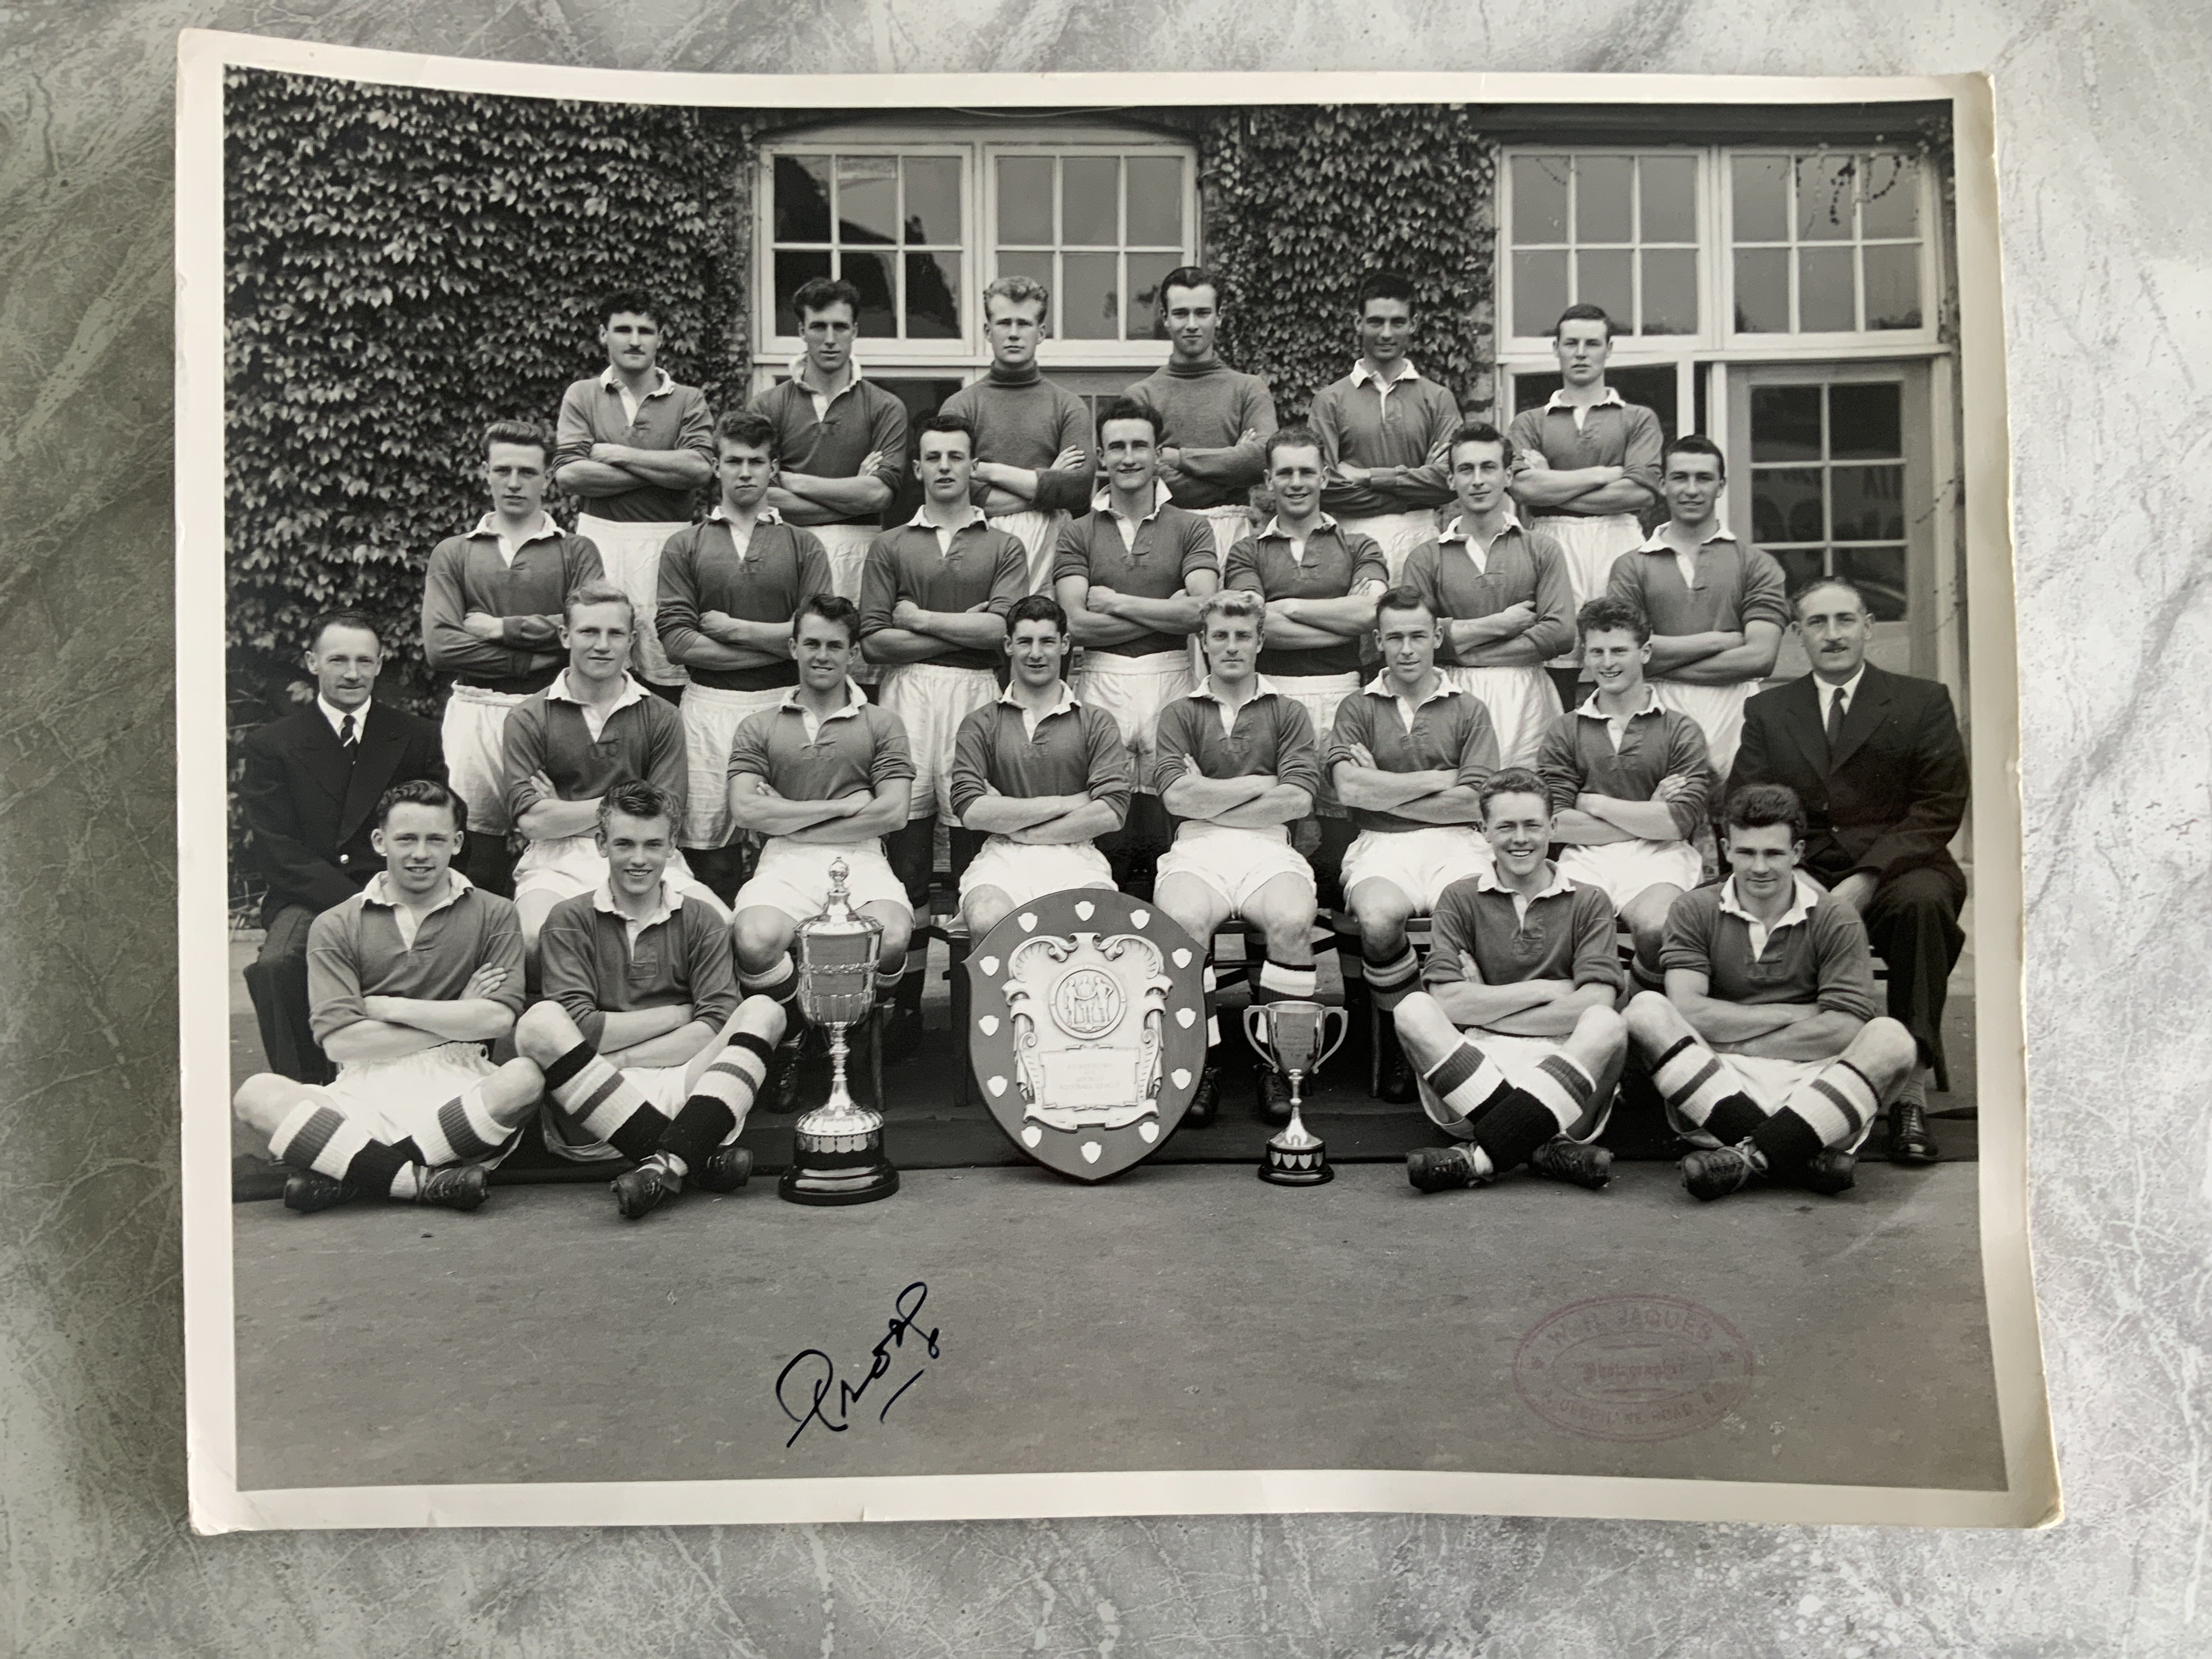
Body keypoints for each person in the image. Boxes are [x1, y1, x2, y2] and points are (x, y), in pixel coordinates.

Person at [1727, 576, 1969, 1165]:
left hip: (1898, 867)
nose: (1832, 635)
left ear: (1867, 627)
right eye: (1817, 623)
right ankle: (1787, 1081)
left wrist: (1868, 878)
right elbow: (1747, 800)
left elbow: (1938, 808)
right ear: (1797, 636)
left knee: (1922, 904)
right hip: (1799, 870)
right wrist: (1794, 876)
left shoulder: (1923, 701)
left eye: (1844, 621)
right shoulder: (1769, 709)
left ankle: (1908, 1089)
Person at [230, 780, 543, 1215]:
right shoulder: (336, 923)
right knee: (256, 1095)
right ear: (380, 842)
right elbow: (341, 1043)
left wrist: (388, 1008)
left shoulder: (494, 912)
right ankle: (418, 1182)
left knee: (525, 1078)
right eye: (406, 839)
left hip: (460, 1087)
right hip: (363, 1088)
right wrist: (456, 1014)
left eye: (436, 839)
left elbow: (495, 1022)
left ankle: (355, 1173)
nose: (421, 853)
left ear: (457, 842)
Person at [1626, 783, 1920, 1200]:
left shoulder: (1835, 916)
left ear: (1798, 852)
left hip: (1819, 1092)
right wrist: (1801, 1014)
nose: (1759, 867)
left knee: (1892, 1038)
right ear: (1727, 849)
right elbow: (1690, 1012)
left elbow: (1843, 1030)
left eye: (1774, 853)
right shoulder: (1696, 909)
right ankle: (1794, 1156)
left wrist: (1737, 1039)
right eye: (1746, 853)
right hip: (1714, 1090)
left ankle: (1750, 1159)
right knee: (1645, 1009)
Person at [515, 782, 787, 1218]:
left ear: (672, 847)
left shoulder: (701, 918)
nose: (639, 859)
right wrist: (679, 1015)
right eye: (624, 844)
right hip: (594, 1112)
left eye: (652, 844)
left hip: (689, 1095)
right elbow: (579, 1030)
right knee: (539, 1021)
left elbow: (716, 1023)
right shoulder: (568, 918)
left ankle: (666, 1165)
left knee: (764, 1012)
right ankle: (695, 1159)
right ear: (601, 843)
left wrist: (623, 1059)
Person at [859, 411, 1030, 1040]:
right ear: (918, 467)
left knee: (970, 851)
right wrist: (963, 624)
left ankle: (971, 1004)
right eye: (934, 457)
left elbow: (999, 636)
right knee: (907, 855)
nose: (945, 468)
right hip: (907, 700)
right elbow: (875, 639)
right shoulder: (892, 544)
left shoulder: (1003, 544)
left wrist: (920, 618)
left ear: (971, 464)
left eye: (957, 457)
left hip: (977, 698)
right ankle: (903, 1004)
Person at [1392, 769, 1629, 1193]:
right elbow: (1446, 1004)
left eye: (1532, 825)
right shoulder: (1460, 897)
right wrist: (1547, 990)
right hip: (1474, 1077)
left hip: (1567, 1079)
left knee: (1608, 1024)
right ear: (1483, 831)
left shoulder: (1590, 900)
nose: (1520, 838)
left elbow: (1595, 1004)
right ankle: (1541, 1149)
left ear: (1553, 827)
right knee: (1413, 1009)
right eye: (1506, 826)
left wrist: (1486, 1005)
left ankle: (1484, 1157)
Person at [239, 611, 448, 1084]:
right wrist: (356, 905)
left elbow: (438, 819)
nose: (352, 673)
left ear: (378, 666)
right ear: (313, 662)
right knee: (277, 965)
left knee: (453, 951)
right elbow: (277, 851)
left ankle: (424, 1088)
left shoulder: (415, 735)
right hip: (311, 894)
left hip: (403, 889)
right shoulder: (273, 744)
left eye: (363, 661)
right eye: (338, 660)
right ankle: (306, 1100)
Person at [726, 594, 917, 1103]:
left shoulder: (882, 723)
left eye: (835, 645)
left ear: (853, 653)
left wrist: (788, 813)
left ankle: (849, 1026)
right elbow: (746, 810)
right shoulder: (759, 725)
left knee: (894, 936)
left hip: (863, 859)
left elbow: (893, 813)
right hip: (785, 863)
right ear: (792, 647)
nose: (822, 655)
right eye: (811, 643)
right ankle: (795, 1029)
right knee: (754, 938)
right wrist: (846, 807)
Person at [1151, 589, 1324, 1124]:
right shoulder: (1179, 712)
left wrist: (1210, 791)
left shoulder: (1288, 711)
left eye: (1242, 636)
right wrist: (1259, 783)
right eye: (1220, 636)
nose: (1231, 646)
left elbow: (1297, 799)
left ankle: (1279, 1066)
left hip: (1269, 846)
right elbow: (1176, 799)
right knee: (1182, 921)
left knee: (1294, 921)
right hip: (1197, 848)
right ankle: (1200, 1064)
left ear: (1260, 642)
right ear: (1203, 642)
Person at [1327, 586, 1501, 1100]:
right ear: (1378, 641)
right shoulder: (1357, 707)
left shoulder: (1469, 708)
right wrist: (1441, 779)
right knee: (1379, 921)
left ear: (1437, 638)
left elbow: (1474, 804)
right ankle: (1408, 1044)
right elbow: (1350, 791)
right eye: (1396, 637)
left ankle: (1458, 1041)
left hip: (1458, 843)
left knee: (1477, 917)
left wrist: (1384, 787)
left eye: (1418, 637)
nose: (1407, 649)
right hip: (1381, 844)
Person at [654, 408, 836, 904]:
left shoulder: (803, 545)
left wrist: (737, 630)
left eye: (757, 461)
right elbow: (675, 640)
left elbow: (818, 639)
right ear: (716, 467)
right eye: (734, 461)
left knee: (791, 837)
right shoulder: (684, 545)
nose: (745, 472)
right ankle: (722, 962)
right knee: (710, 841)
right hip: (708, 708)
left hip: (786, 707)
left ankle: (783, 969)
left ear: (773, 467)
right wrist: (780, 643)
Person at [421, 419, 605, 893]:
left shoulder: (578, 551)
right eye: (503, 470)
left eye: (527, 471)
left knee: (555, 842)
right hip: (476, 709)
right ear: (485, 473)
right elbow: (442, 646)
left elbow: (585, 633)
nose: (515, 482)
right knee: (474, 853)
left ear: (547, 478)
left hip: (554, 711)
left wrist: (501, 628)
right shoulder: (455, 553)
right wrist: (535, 656)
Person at [501, 579, 721, 964]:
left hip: (648, 856)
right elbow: (534, 824)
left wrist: (563, 811)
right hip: (556, 862)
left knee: (723, 926)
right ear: (565, 636)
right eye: (589, 631)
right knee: (534, 938)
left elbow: (666, 817)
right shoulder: (528, 717)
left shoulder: (661, 716)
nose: (602, 645)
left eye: (614, 633)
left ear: (631, 640)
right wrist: (635, 804)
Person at [1054, 397, 1220, 890]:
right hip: (1101, 676)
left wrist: (1116, 602)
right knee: (1107, 820)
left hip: (1171, 675)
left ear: (1158, 453)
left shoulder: (1192, 525)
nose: (1129, 457)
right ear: (1101, 457)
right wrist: (1164, 612)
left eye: (1140, 446)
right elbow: (1075, 627)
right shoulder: (1078, 531)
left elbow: (1201, 611)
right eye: (1117, 447)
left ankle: (1172, 948)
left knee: (1170, 820)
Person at [1223, 425, 1390, 887]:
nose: (1296, 482)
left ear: (1324, 477)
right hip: (1271, 702)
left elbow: (1371, 614)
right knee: (1275, 832)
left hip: (1345, 699)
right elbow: (1253, 626)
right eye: (1286, 473)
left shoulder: (1359, 546)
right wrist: (1337, 617)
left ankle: (1348, 951)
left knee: (1344, 835)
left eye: (1306, 472)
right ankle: (1277, 949)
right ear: (1268, 480)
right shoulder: (1246, 551)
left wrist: (1290, 607)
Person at [1536, 597, 1714, 985]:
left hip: (1660, 856)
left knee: (1655, 927)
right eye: (1596, 652)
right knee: (1566, 932)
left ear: (1645, 652)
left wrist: (1594, 802)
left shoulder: (1681, 729)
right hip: (1586, 857)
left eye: (1619, 650)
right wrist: (1646, 813)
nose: (1607, 662)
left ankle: (1642, 1014)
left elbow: (1676, 824)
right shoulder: (1566, 730)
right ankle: (1594, 1024)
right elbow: (1557, 825)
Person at [552, 291, 715, 698]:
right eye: (624, 329)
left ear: (660, 339)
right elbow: (571, 474)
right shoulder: (583, 394)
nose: (635, 340)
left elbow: (698, 469)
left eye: (646, 330)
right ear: (604, 334)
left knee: (667, 665)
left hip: (670, 541)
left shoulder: (688, 398)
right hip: (600, 540)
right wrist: (663, 469)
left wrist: (620, 455)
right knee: (600, 656)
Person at [1505, 304, 1665, 707]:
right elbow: (1523, 489)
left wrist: (1552, 482)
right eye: (1571, 343)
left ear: (1608, 349)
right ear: (1556, 348)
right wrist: (1603, 474)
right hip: (1553, 541)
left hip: (1618, 537)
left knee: (1618, 649)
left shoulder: (1638, 418)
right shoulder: (1530, 421)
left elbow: (1640, 492)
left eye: (1592, 344)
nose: (1581, 353)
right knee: (1558, 652)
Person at [949, 596, 1132, 939]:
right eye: (1025, 642)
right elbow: (972, 811)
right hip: (1002, 857)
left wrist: (1022, 828)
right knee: (988, 916)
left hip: (1077, 856)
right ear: (1008, 646)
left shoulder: (1096, 721)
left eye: (1047, 641)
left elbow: (1111, 813)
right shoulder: (980, 723)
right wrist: (1071, 802)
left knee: (1097, 918)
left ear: (1065, 645)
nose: (1036, 653)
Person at [1605, 435, 1787, 778]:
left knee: (1737, 815)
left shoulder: (1756, 564)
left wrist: (1653, 662)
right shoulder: (1631, 566)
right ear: (1662, 484)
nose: (1691, 489)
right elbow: (1622, 654)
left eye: (1703, 478)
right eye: (1680, 477)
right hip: (1656, 711)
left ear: (1721, 486)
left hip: (1736, 712)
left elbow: (1760, 657)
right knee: (1665, 818)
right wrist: (1719, 641)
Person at [1401, 420, 1573, 768]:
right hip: (1452, 695)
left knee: (1527, 802)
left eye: (1488, 468)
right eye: (1466, 470)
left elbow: (1560, 633)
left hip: (1527, 693)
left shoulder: (1542, 548)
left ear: (1508, 476)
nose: (1478, 480)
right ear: (1451, 480)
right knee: (1460, 803)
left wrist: (1463, 649)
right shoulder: (1425, 556)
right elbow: (1416, 636)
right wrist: (1501, 624)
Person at [748, 275, 908, 611]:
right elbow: (759, 495)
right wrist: (852, 496)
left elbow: (879, 495)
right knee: (789, 649)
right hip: (786, 549)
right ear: (801, 332)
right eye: (819, 327)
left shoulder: (885, 406)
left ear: (856, 331)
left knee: (853, 656)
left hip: (860, 555)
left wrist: (796, 481)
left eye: (840, 327)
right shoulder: (767, 406)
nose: (830, 339)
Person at [940, 275, 1096, 594]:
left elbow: (1079, 489)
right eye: (1003, 323)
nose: (1013, 334)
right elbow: (955, 490)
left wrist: (990, 470)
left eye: (1024, 324)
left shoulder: (1068, 406)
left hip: (1053, 548)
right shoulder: (961, 406)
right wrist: (1048, 482)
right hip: (979, 542)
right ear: (988, 331)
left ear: (1041, 333)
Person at [1307, 270, 1460, 584]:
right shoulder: (1329, 400)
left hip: (1421, 536)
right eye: (1376, 322)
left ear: (1413, 325)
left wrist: (1367, 477)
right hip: (1350, 537)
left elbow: (1449, 481)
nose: (1387, 333)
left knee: (1416, 628)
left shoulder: (1438, 398)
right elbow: (1325, 487)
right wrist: (1418, 486)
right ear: (1358, 323)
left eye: (1398, 322)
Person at [1122, 265, 1276, 561]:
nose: (1192, 324)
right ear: (1165, 319)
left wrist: (1178, 458)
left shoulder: (1248, 389)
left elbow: (1262, 459)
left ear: (1219, 317)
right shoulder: (1141, 395)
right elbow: (1144, 476)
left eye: (1202, 313)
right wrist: (1232, 463)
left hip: (1233, 536)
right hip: (1161, 534)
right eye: (1181, 314)